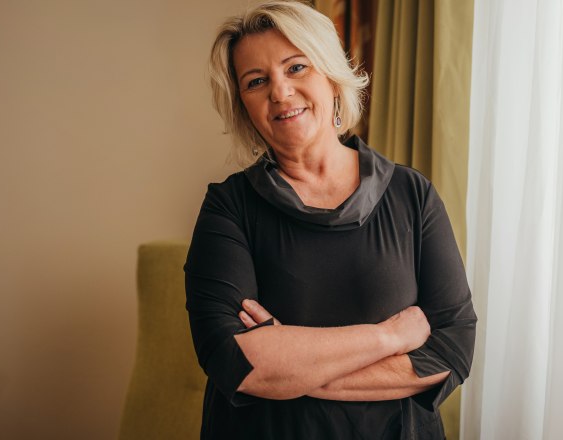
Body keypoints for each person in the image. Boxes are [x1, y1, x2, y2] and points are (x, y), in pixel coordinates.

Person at [184, 1, 476, 438]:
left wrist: (291, 363)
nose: (280, 92)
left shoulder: (412, 195)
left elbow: (452, 348)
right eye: (256, 81)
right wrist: (390, 338)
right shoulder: (228, 208)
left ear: (332, 77)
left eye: (296, 67)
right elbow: (236, 363)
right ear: (244, 105)